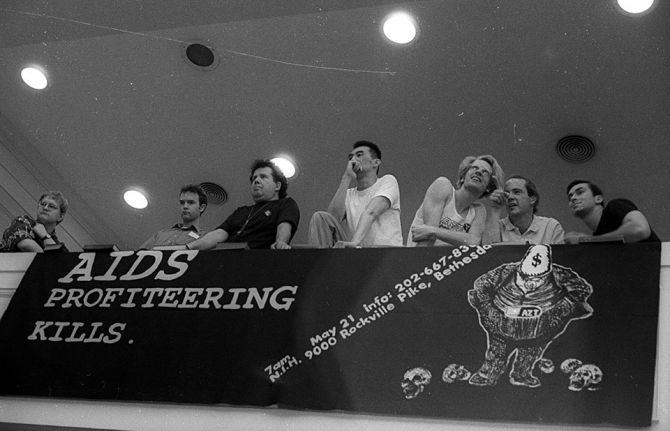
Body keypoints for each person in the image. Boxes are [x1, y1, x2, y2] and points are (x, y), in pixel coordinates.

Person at [187, 159, 300, 250]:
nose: (256, 181)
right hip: (225, 260)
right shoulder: (241, 211)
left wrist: (281, 242)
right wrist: (188, 247)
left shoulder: (286, 204)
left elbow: (284, 227)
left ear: (277, 186)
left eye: (263, 177)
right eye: (254, 178)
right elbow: (218, 235)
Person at [308, 140, 402, 248]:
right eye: (350, 157)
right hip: (355, 253)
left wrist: (354, 243)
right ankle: (319, 262)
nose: (353, 160)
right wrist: (346, 177)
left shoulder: (387, 181)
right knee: (320, 217)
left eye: (359, 155)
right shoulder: (348, 194)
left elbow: (371, 213)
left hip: (384, 252)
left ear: (376, 162)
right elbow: (331, 220)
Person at [407, 155, 503, 247]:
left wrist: (434, 231)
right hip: (420, 258)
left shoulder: (479, 210)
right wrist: (462, 239)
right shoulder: (443, 186)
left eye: (485, 172)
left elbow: (473, 242)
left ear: (488, 187)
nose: (479, 172)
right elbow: (427, 240)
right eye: (474, 168)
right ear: (463, 177)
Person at [565, 180, 659, 243]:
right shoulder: (597, 239)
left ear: (598, 199)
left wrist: (584, 240)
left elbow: (640, 229)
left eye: (580, 192)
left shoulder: (615, 206)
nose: (573, 198)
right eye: (570, 197)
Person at [486, 175, 564, 245]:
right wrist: (495, 209)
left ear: (532, 199)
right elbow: (490, 254)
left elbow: (558, 259)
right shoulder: (496, 226)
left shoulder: (550, 227)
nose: (510, 197)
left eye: (517, 192)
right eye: (506, 194)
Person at [139, 184, 208, 249]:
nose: (185, 206)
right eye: (182, 203)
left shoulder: (205, 238)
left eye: (190, 202)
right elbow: (137, 255)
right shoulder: (161, 234)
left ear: (201, 208)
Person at [0, 191, 69, 252]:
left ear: (60, 217)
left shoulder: (59, 245)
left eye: (51, 206)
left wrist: (45, 236)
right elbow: (25, 245)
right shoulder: (23, 222)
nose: (45, 208)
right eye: (43, 204)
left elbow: (64, 263)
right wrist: (51, 262)